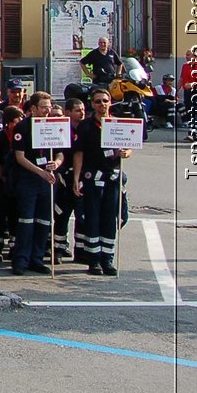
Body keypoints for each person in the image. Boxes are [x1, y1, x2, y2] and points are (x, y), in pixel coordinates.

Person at [72, 88, 130, 276]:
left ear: (110, 102)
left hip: (112, 178)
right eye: (97, 101)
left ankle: (107, 259)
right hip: (92, 178)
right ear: (92, 104)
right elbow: (78, 153)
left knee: (109, 220)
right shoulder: (85, 126)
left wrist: (125, 153)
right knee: (93, 219)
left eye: (105, 101)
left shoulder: (117, 124)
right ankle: (94, 261)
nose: (102, 104)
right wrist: (76, 178)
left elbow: (130, 147)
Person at [8, 91, 61, 275]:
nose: (47, 111)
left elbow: (61, 152)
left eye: (49, 107)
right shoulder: (22, 127)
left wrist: (57, 163)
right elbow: (19, 157)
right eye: (44, 107)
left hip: (47, 180)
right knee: (26, 221)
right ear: (33, 108)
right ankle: (20, 260)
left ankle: (36, 258)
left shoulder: (54, 126)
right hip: (29, 179)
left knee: (44, 221)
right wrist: (40, 172)